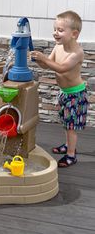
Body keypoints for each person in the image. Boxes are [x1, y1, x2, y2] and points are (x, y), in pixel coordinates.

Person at [30, 10, 88, 167]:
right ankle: (68, 145)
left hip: (76, 94)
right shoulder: (58, 47)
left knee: (71, 127)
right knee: (65, 122)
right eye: (55, 29)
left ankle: (71, 155)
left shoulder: (77, 52)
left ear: (74, 34)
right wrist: (38, 59)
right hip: (64, 92)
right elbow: (48, 64)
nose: (55, 33)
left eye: (60, 30)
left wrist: (44, 59)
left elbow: (62, 68)